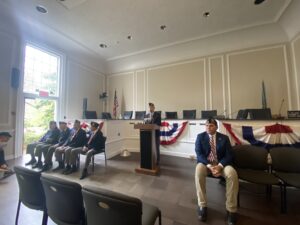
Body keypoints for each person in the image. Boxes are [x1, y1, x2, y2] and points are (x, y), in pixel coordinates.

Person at [194, 118, 238, 225]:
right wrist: (209, 166)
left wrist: (219, 166)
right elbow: (199, 154)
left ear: (216, 127)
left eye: (211, 126)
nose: (208, 128)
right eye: (206, 125)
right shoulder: (200, 137)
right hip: (206, 164)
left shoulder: (224, 138)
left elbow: (229, 155)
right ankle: (202, 205)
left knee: (232, 174)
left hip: (222, 164)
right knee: (198, 171)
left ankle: (231, 209)